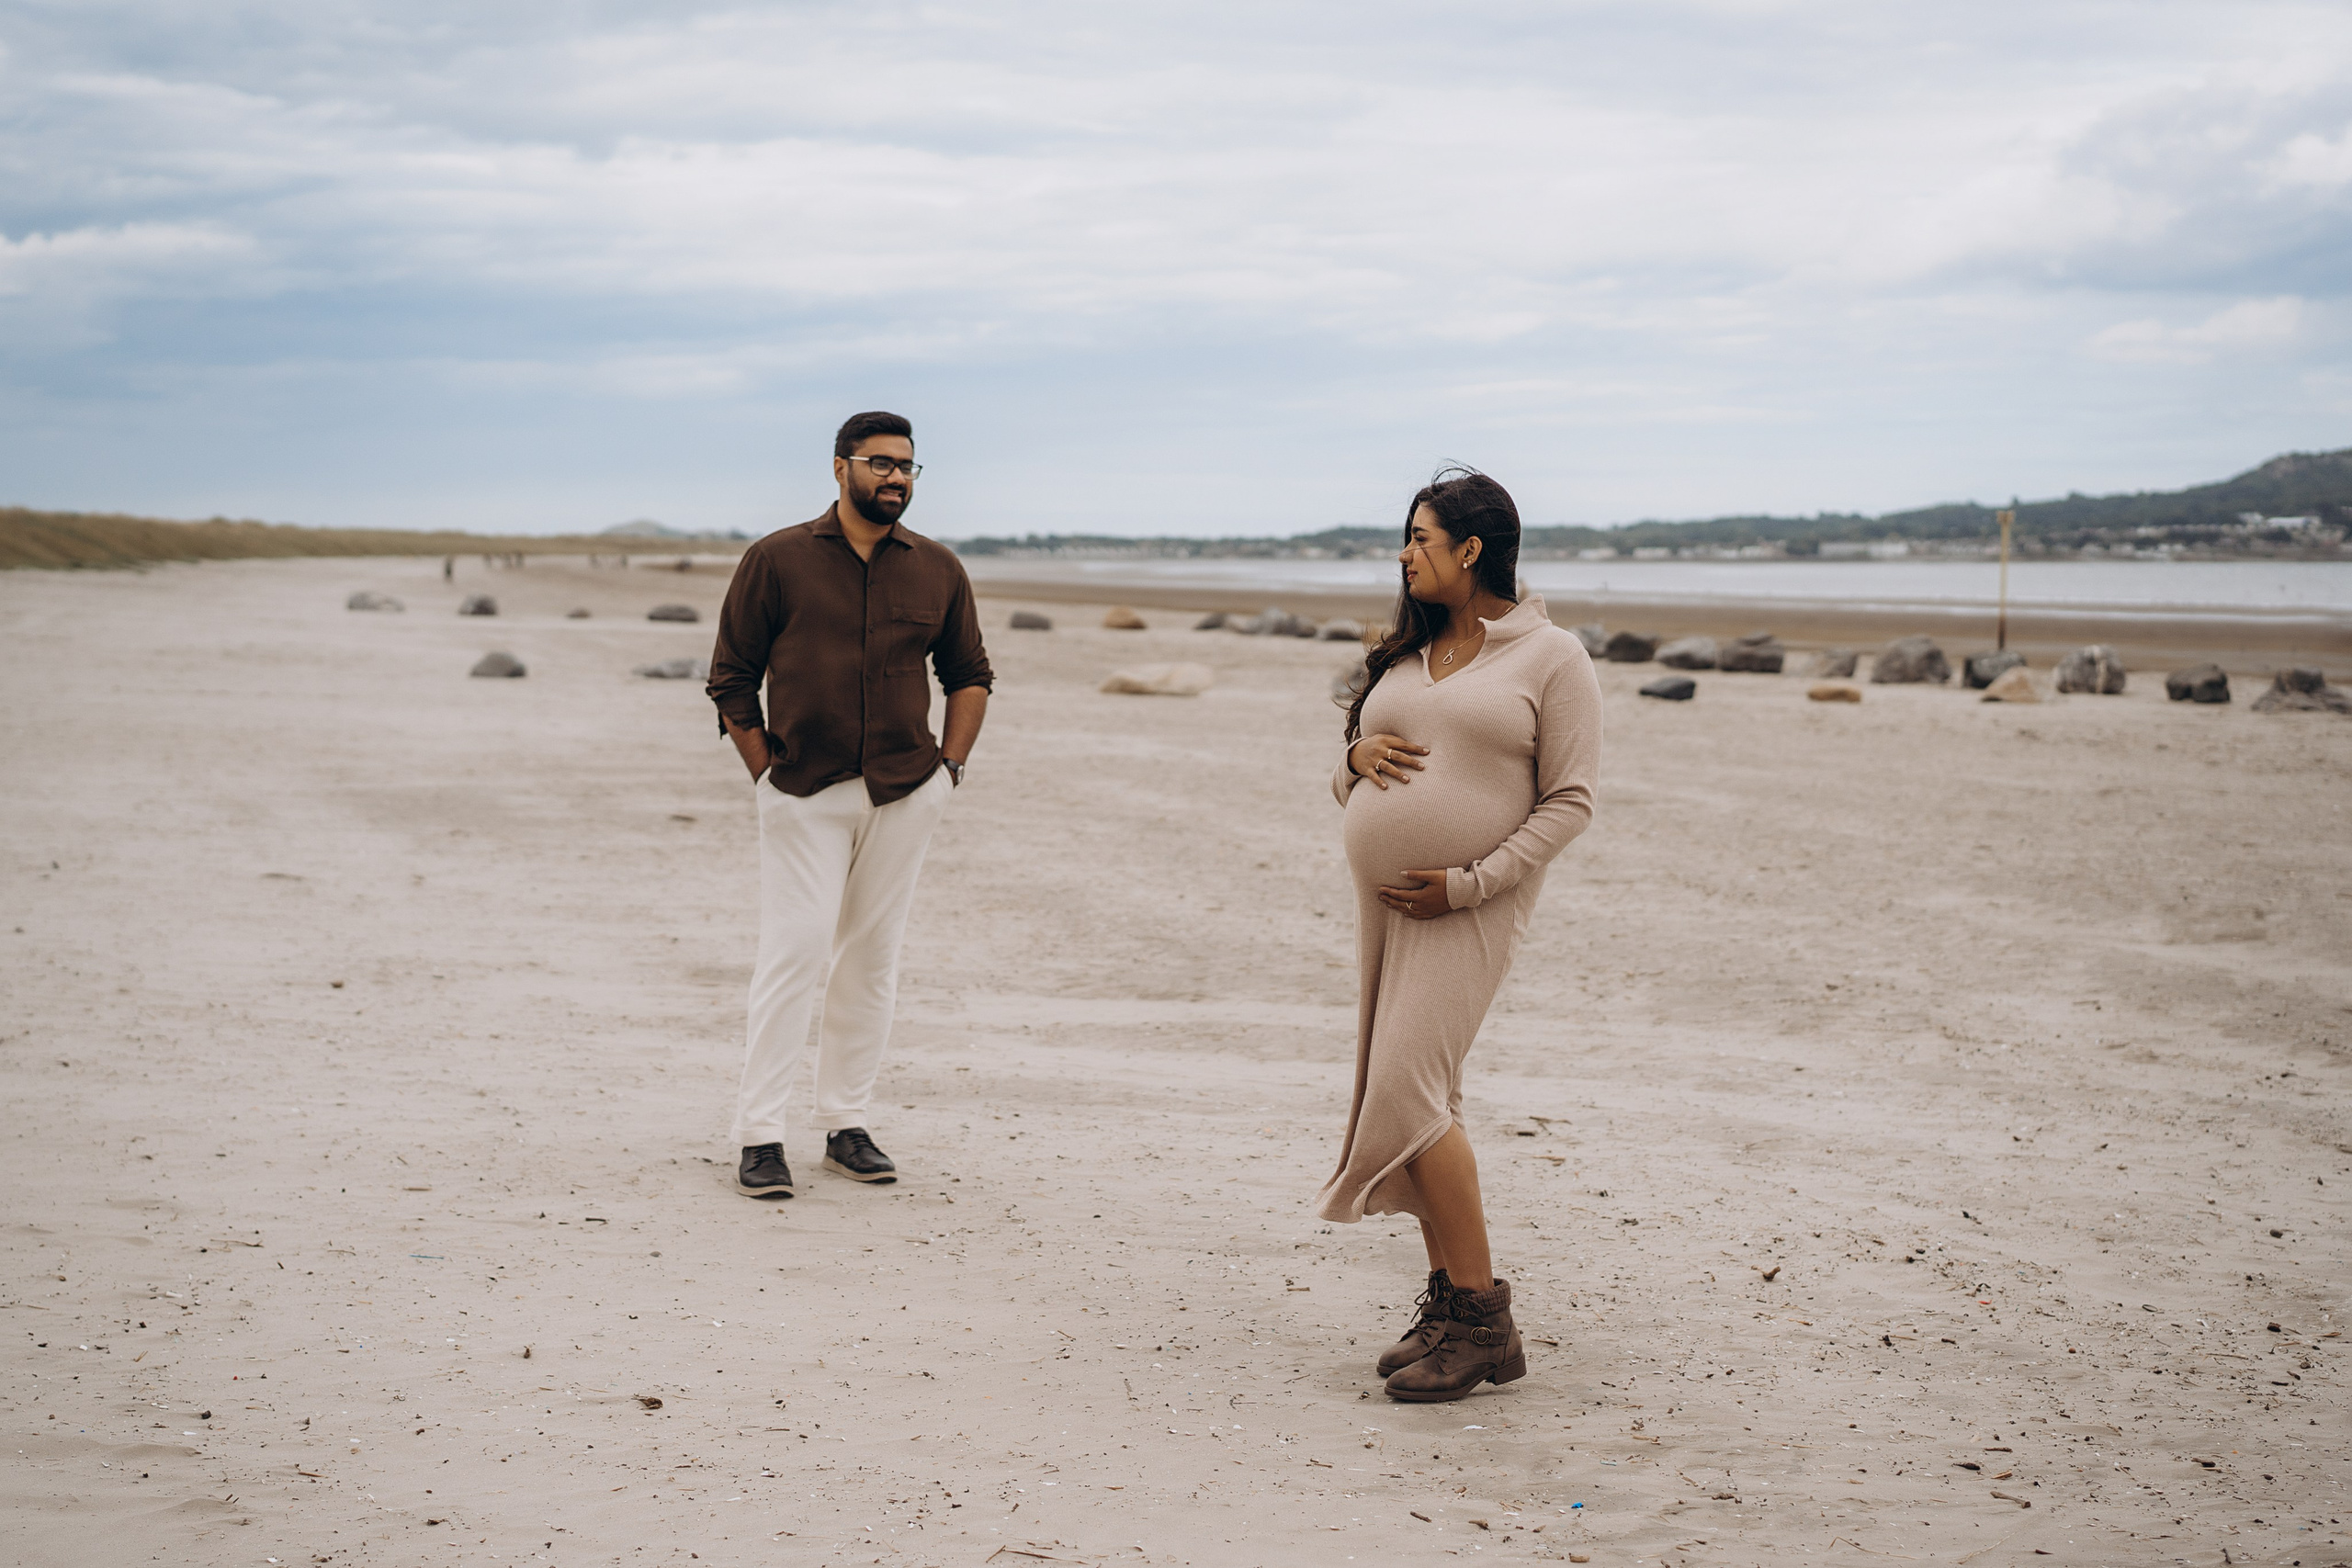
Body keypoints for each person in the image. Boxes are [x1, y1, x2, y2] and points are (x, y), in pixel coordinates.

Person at [1317, 468, 1601, 1401]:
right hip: (1387, 909)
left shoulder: (1552, 657)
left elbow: (1571, 802)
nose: (1404, 554)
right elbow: (1350, 779)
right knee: (1423, 1094)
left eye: (1421, 537)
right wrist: (1354, 756)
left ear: (1471, 549)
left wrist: (1472, 883)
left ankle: (1483, 1320)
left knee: (1406, 1090)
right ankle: (1451, 1308)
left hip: (1468, 907)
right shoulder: (1412, 650)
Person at [705, 411, 992, 1199]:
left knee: (871, 959)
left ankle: (845, 1124)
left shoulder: (937, 568)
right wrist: (764, 772)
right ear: (841, 468)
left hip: (905, 790)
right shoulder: (777, 559)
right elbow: (731, 675)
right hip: (803, 789)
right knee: (794, 953)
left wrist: (949, 770)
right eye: (880, 463)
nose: (895, 477)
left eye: (906, 466)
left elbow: (969, 674)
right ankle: (760, 1135)